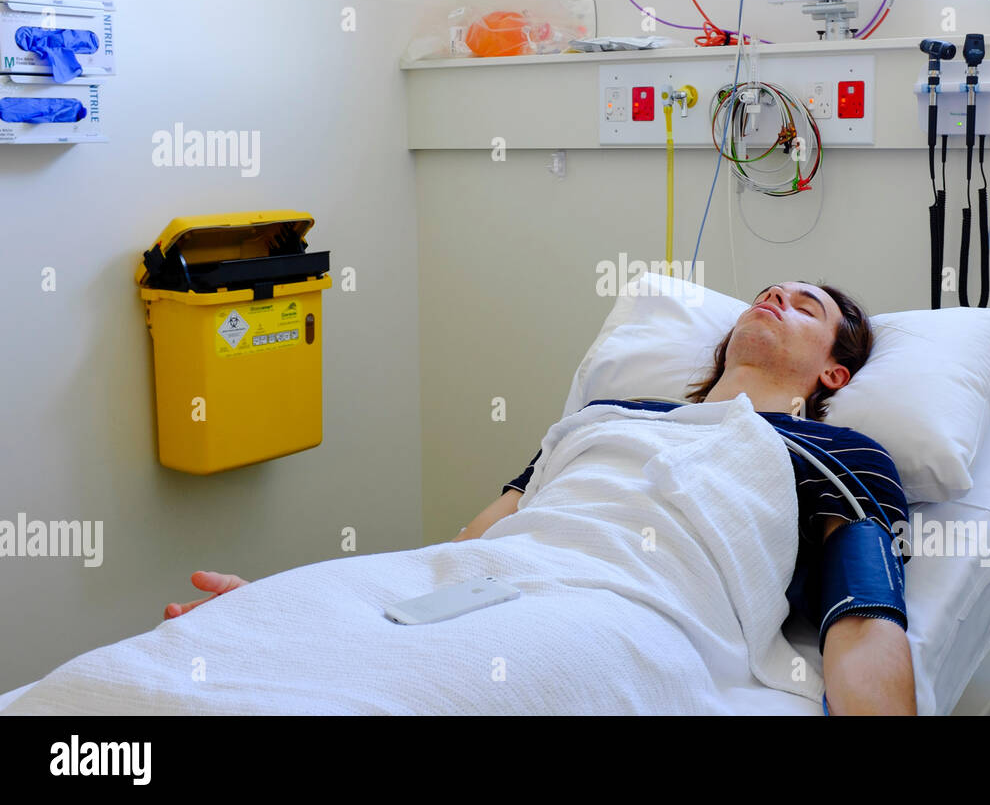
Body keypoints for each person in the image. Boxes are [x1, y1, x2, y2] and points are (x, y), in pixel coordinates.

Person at [166, 281, 914, 715]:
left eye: (806, 307)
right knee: (222, 655)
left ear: (834, 375)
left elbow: (864, 617)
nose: (777, 295)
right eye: (767, 292)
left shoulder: (844, 456)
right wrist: (320, 619)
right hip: (489, 588)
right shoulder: (603, 419)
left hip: (626, 610)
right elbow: (467, 551)